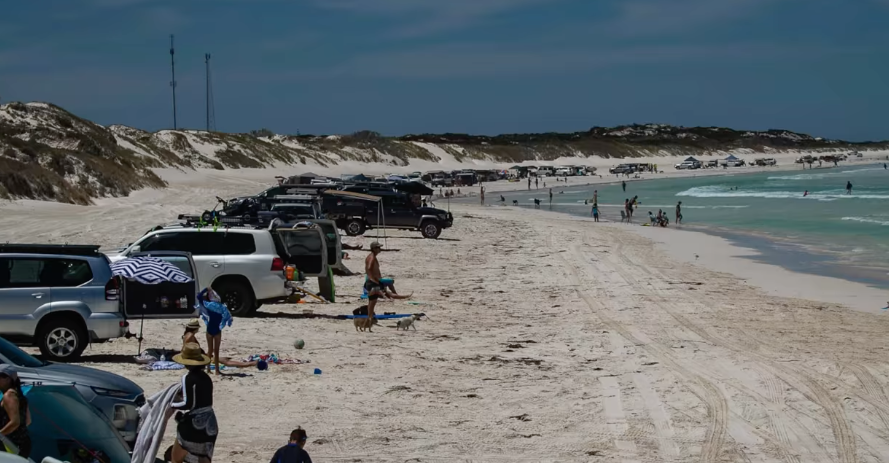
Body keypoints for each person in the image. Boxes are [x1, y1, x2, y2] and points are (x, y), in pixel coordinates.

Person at [171, 343, 218, 463]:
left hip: (195, 424)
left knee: (176, 458)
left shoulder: (188, 378)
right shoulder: (207, 377)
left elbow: (188, 404)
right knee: (203, 459)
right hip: (210, 423)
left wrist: (172, 405)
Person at [197, 288, 232, 376]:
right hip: (217, 330)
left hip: (209, 330)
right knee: (216, 351)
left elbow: (199, 297)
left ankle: (208, 369)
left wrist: (206, 289)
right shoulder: (222, 307)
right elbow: (229, 317)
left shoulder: (208, 305)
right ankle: (217, 370)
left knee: (210, 350)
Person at [0, 365, 31, 458]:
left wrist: (0, 434)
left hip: (11, 444)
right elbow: (28, 421)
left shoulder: (8, 395)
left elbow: (15, 422)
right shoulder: (19, 395)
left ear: (8, 379)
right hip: (22, 443)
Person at [363, 241, 384, 332]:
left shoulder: (372, 256)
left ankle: (370, 318)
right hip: (372, 282)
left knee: (372, 302)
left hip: (372, 282)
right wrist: (373, 279)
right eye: (378, 247)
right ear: (374, 248)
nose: (380, 249)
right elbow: (369, 268)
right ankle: (369, 318)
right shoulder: (371, 257)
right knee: (372, 302)